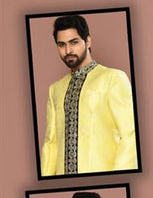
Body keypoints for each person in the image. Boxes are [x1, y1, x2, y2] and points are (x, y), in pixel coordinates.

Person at [40, 14, 138, 176]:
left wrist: (117, 179)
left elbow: (130, 136)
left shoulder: (112, 78)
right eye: (61, 45)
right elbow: (51, 144)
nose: (68, 51)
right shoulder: (55, 89)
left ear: (88, 41)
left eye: (74, 42)